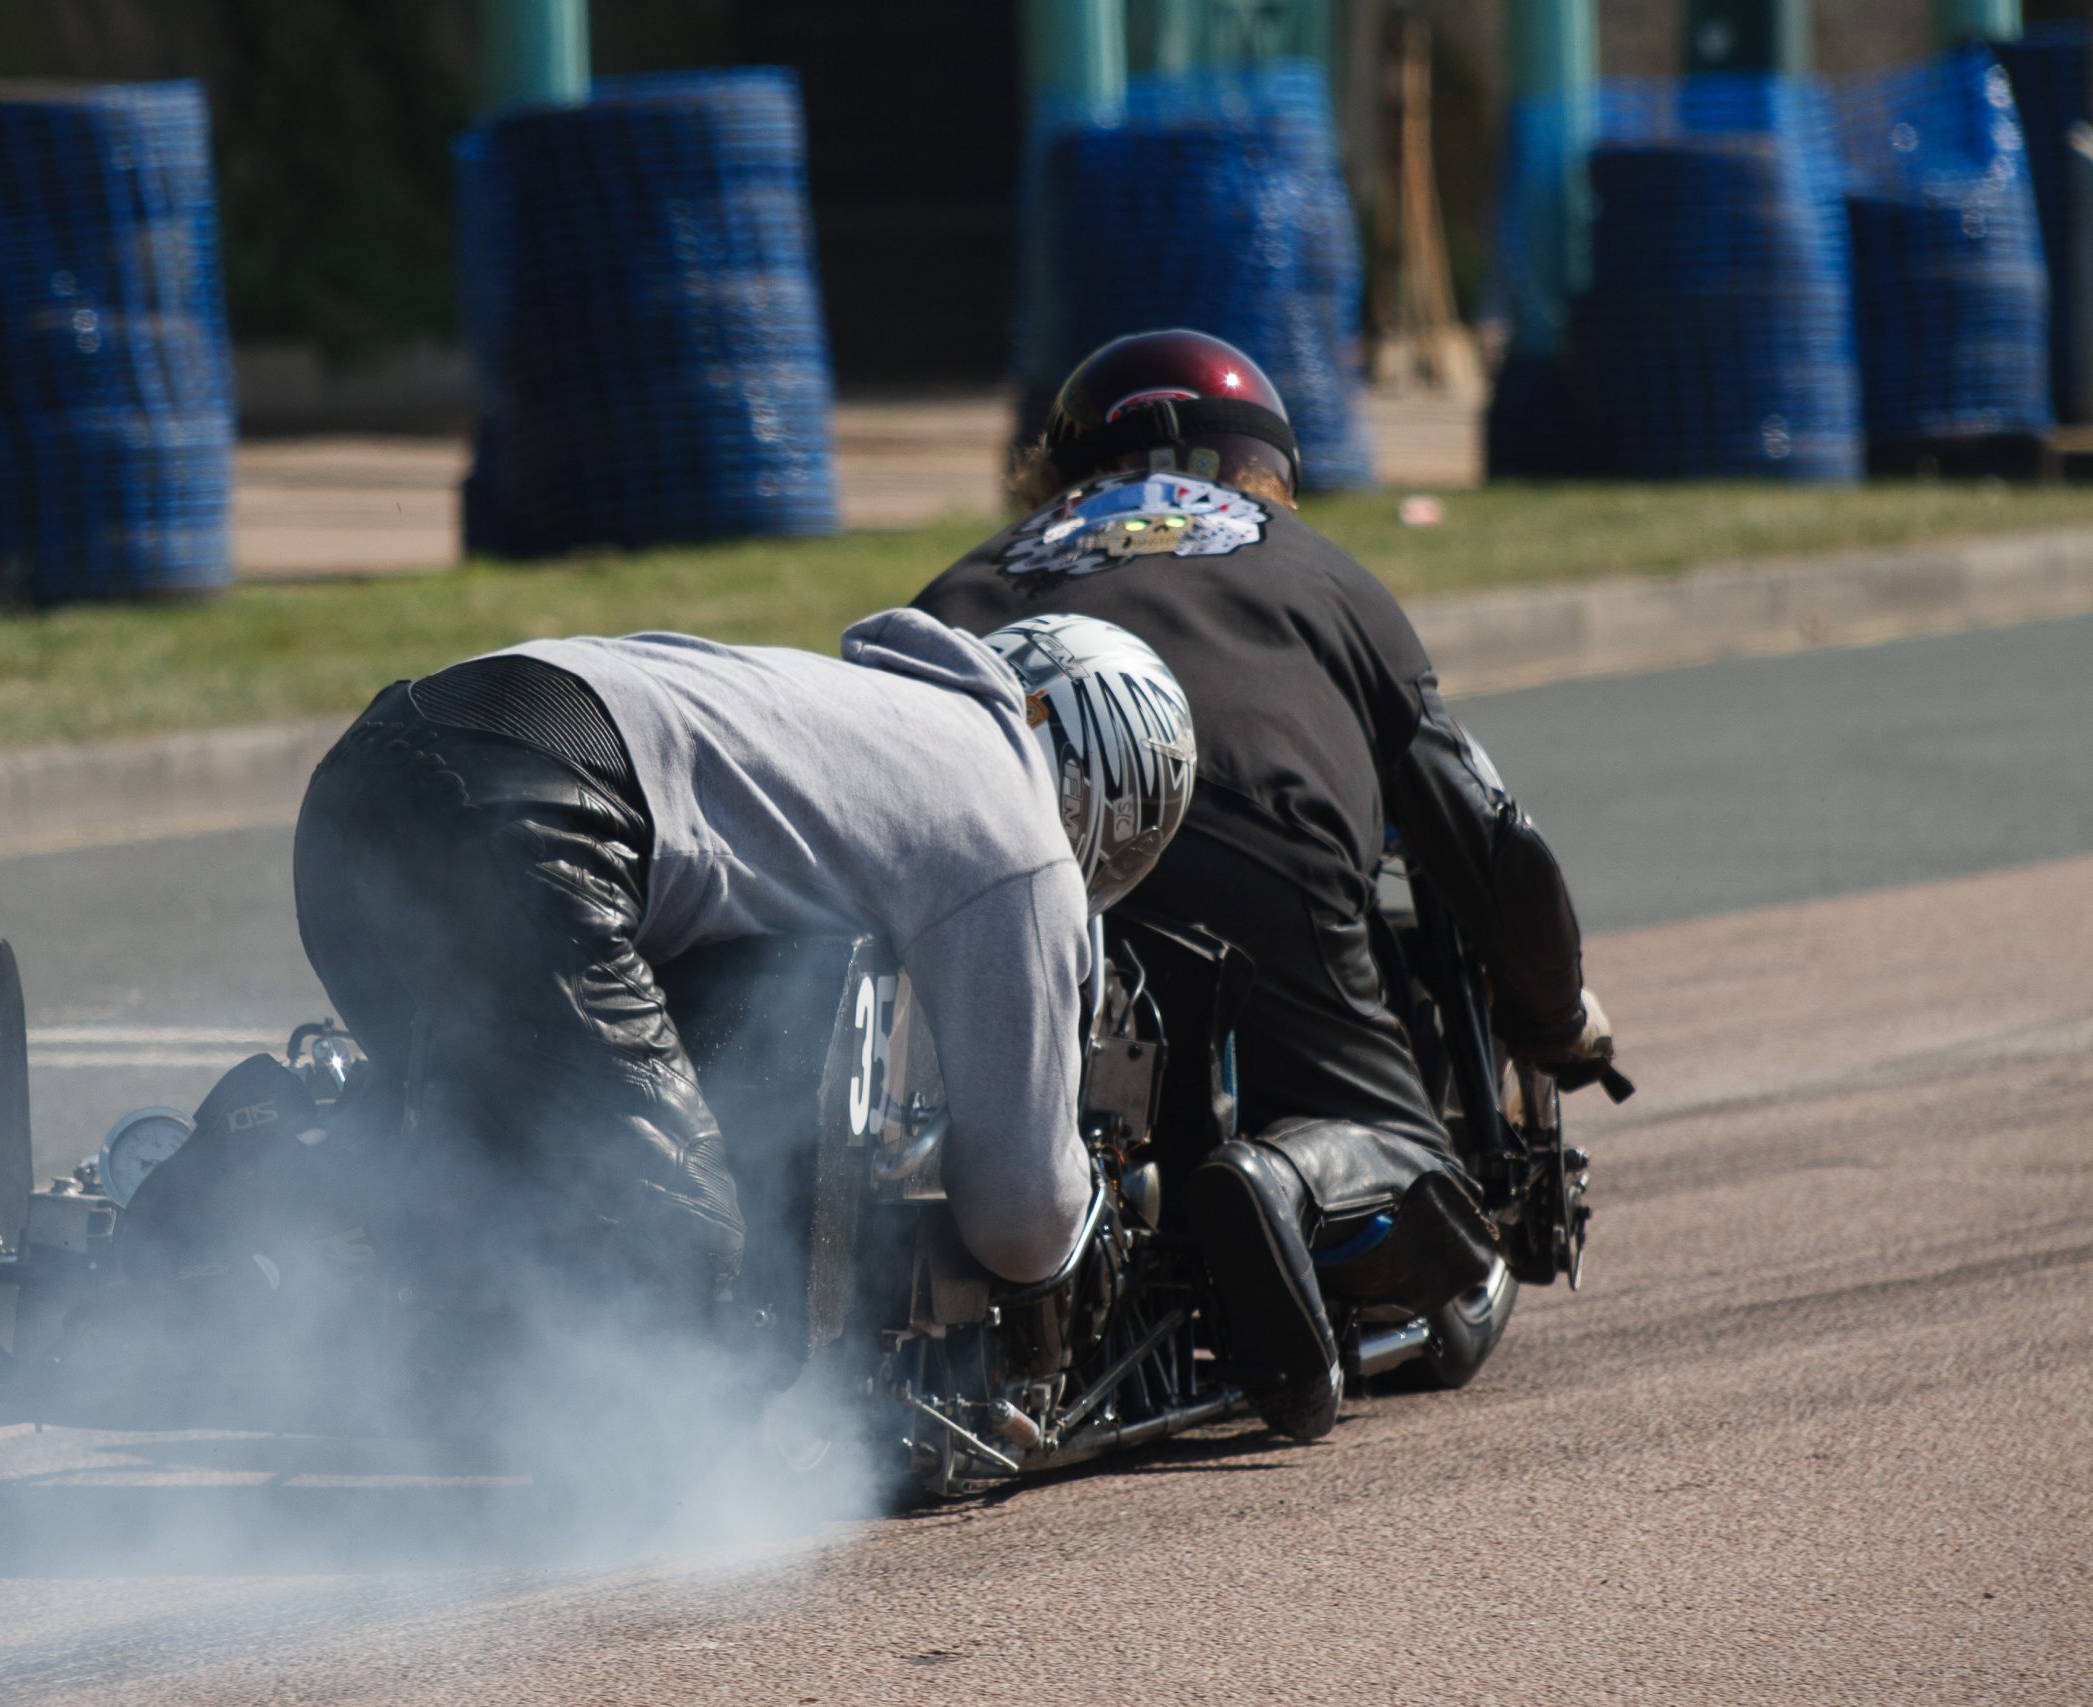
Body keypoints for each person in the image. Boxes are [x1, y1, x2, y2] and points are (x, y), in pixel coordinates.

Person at [912, 329, 1615, 1442]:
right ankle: (1288, 1177)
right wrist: (1562, 1021)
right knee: (1413, 1165)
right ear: (1264, 469)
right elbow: (1482, 835)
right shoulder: (1308, 563)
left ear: (1057, 471)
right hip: (1242, 831)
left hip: (988, 861)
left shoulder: (968, 576)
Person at [285, 607, 1195, 1331]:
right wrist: (1091, 1226)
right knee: (692, 1266)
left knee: (465, 1155)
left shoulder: (891, 714)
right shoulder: (1022, 841)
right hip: (529, 805)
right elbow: (1023, 1221)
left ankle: (239, 1182)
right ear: (1116, 801)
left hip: (373, 769)